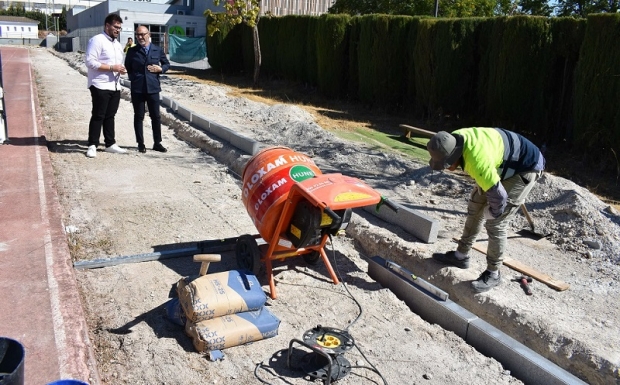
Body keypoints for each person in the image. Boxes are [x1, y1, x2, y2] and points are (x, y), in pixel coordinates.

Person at [428, 127, 545, 293]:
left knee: (496, 223)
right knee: (475, 207)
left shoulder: (477, 162)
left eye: (446, 164)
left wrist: (493, 212)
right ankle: (461, 256)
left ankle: (493, 273)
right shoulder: (453, 139)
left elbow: (500, 197)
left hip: (526, 167)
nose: (445, 168)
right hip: (502, 163)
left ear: (454, 156)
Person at [84, 13, 128, 158]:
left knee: (110, 115)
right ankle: (92, 145)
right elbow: (90, 62)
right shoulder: (97, 40)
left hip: (115, 86)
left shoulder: (117, 45)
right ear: (107, 25)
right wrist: (111, 68)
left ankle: (110, 143)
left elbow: (118, 64)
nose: (118, 30)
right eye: (116, 27)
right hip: (99, 84)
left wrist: (121, 70)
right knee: (98, 115)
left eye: (119, 28)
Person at [124, 25, 170, 153]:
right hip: (138, 89)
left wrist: (161, 69)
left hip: (153, 88)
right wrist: (134, 78)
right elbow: (128, 66)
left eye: (142, 34)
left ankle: (157, 143)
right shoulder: (132, 51)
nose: (140, 37)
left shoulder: (157, 50)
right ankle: (140, 143)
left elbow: (166, 64)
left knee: (156, 116)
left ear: (148, 34)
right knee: (139, 116)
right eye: (138, 35)